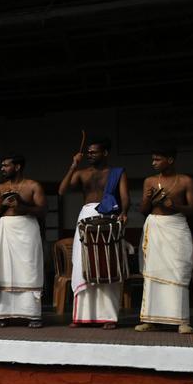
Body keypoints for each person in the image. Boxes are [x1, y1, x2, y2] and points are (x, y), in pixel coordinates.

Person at [58, 137, 129, 329]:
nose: (89, 155)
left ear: (105, 153)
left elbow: (124, 197)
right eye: (88, 152)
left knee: (107, 265)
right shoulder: (81, 173)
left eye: (94, 152)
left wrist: (124, 212)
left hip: (109, 217)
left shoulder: (117, 173)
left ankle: (109, 317)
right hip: (86, 217)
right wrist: (73, 165)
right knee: (83, 264)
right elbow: (62, 190)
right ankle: (82, 316)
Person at [136, 148, 193, 334]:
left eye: (157, 159)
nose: (153, 163)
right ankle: (150, 320)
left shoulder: (186, 181)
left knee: (178, 272)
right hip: (155, 227)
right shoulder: (149, 181)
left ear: (170, 160)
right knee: (152, 273)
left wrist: (174, 205)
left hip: (176, 227)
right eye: (153, 159)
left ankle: (182, 321)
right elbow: (143, 210)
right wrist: (148, 199)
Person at [0, 155, 47, 327]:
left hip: (27, 230)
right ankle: (1, 314)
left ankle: (32, 315)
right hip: (6, 230)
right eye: (2, 165)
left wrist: (22, 206)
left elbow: (43, 211)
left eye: (6, 165)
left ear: (18, 167)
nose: (2, 168)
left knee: (29, 270)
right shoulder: (0, 187)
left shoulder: (33, 186)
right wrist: (3, 203)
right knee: (2, 269)